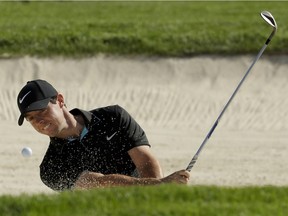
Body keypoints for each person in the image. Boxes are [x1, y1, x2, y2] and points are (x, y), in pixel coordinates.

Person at [17, 79, 190, 191]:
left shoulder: (113, 117)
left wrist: (156, 195)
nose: (38, 121)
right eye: (30, 118)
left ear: (60, 100)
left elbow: (145, 161)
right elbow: (100, 184)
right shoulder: (51, 167)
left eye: (42, 111)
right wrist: (159, 185)